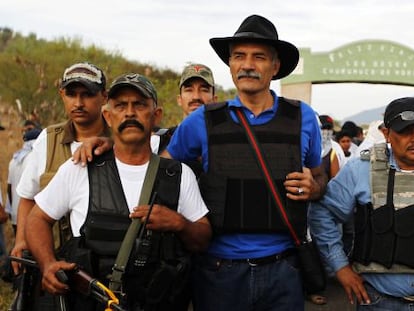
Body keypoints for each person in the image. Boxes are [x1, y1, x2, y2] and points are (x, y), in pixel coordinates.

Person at [161, 15, 327, 311]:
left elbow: (320, 177)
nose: (247, 65)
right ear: (230, 64)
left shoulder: (303, 117)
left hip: (283, 271)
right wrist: (106, 144)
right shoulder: (204, 120)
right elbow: (160, 172)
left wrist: (314, 188)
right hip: (218, 272)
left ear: (275, 67)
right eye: (239, 56)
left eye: (259, 57)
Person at [25, 73, 211, 311]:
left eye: (140, 105)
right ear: (108, 116)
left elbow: (202, 239)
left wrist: (180, 224)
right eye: (121, 106)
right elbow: (37, 218)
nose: (130, 113)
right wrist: (48, 263)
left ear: (156, 115)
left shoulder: (178, 175)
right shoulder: (80, 167)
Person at [11, 62, 111, 310]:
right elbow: (27, 196)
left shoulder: (122, 140)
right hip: (52, 260)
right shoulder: (48, 139)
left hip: (102, 267)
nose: (78, 103)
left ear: (104, 97)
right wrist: (22, 239)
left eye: (87, 94)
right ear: (61, 96)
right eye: (71, 94)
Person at [309, 97, 414, 310]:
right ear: (386, 134)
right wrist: (340, 267)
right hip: (380, 300)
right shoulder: (361, 169)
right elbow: (322, 213)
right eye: (405, 131)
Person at [154, 62, 217, 154]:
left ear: (214, 100)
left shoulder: (226, 141)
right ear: (179, 99)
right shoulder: (159, 142)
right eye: (189, 90)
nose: (196, 97)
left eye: (204, 90)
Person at [7, 121, 42, 235]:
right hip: (31, 215)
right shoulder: (35, 158)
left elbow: (9, 188)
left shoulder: (15, 159)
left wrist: (12, 210)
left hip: (16, 214)